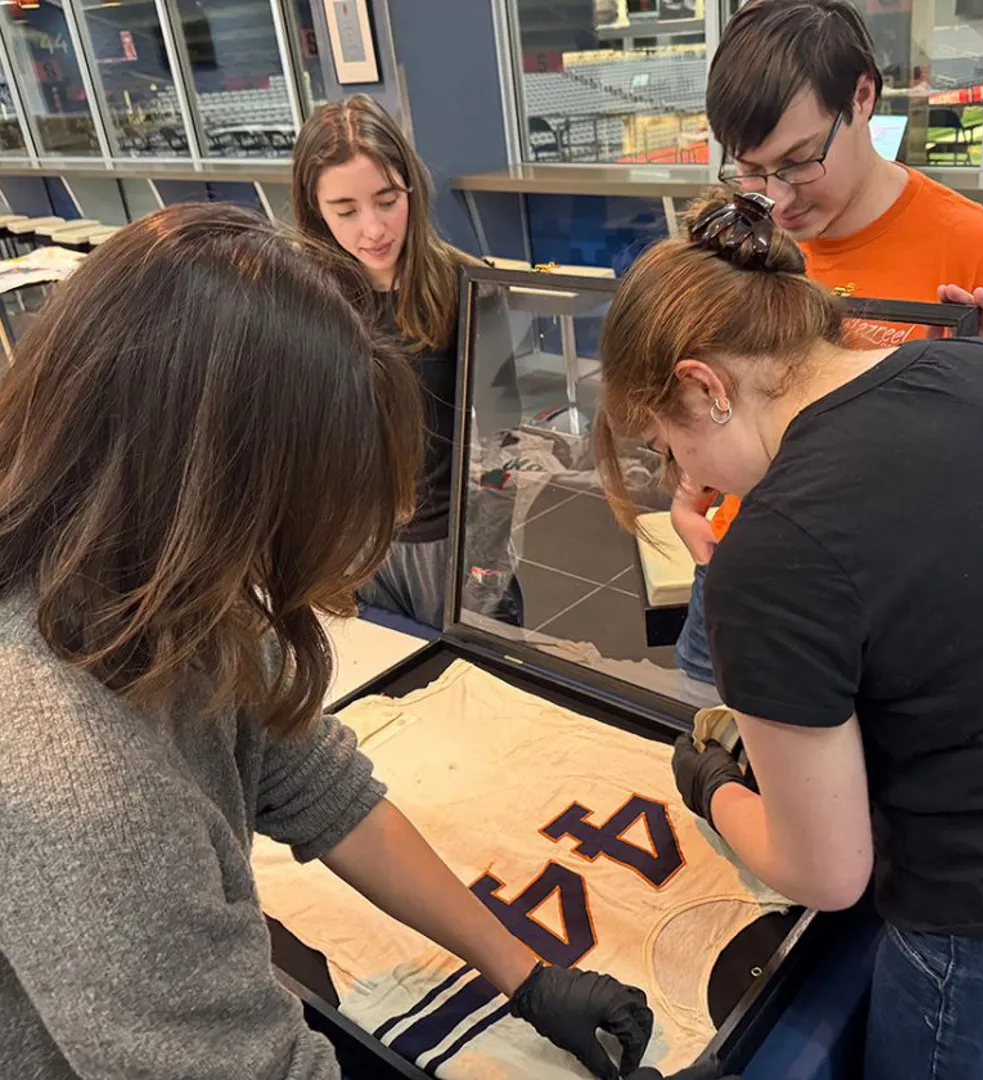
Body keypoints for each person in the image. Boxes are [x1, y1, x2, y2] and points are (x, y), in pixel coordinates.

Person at [0, 204, 652, 1080]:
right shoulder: (75, 776)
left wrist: (526, 975)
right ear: (215, 487)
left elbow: (318, 784)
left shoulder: (151, 582)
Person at [595, 191, 983, 1080]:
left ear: (706, 387)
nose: (684, 475)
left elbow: (827, 873)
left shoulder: (778, 549)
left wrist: (710, 785)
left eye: (669, 444)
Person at [672, 0, 983, 688]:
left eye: (798, 161)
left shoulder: (978, 252)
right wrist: (688, 494)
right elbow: (714, 402)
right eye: (751, 170)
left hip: (893, 612)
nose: (776, 199)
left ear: (862, 98)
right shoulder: (737, 239)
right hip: (740, 578)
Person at [291, 94, 469, 630]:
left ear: (411, 186)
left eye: (388, 200)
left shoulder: (459, 287)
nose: (373, 229)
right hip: (353, 538)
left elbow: (497, 431)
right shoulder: (307, 300)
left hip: (447, 537)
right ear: (315, 211)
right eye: (345, 212)